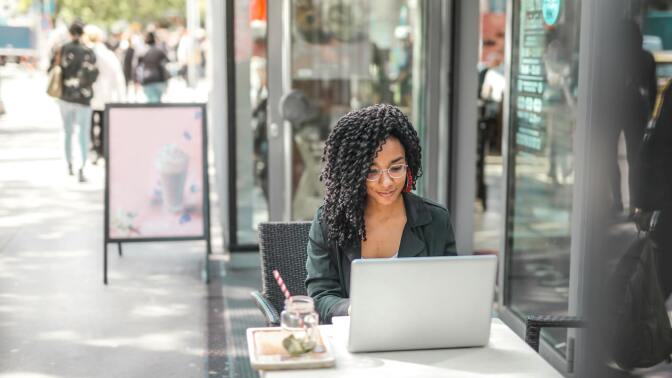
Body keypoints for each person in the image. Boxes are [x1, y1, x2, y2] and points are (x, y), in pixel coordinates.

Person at [305, 104, 457, 324]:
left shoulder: (436, 221)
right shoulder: (329, 221)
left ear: (409, 165)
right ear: (353, 174)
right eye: (371, 171)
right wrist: (353, 309)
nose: (386, 183)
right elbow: (319, 298)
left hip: (419, 335)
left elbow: (450, 293)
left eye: (396, 168)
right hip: (352, 340)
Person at [57, 21, 99, 182]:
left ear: (70, 33)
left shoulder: (63, 49)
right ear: (82, 34)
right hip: (84, 98)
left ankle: (69, 163)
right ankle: (82, 166)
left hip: (66, 96)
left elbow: (54, 69)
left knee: (68, 131)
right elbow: (95, 74)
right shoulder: (89, 52)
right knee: (83, 133)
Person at [85, 25, 125, 164]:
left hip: (89, 94)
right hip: (105, 94)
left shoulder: (87, 52)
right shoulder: (107, 53)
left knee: (89, 124)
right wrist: (121, 96)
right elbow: (117, 75)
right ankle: (101, 149)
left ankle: (92, 149)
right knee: (103, 123)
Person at [137, 31, 169, 103]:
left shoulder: (142, 51)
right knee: (156, 102)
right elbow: (165, 63)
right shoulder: (160, 50)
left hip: (148, 79)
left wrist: (137, 80)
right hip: (158, 79)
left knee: (152, 102)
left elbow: (138, 67)